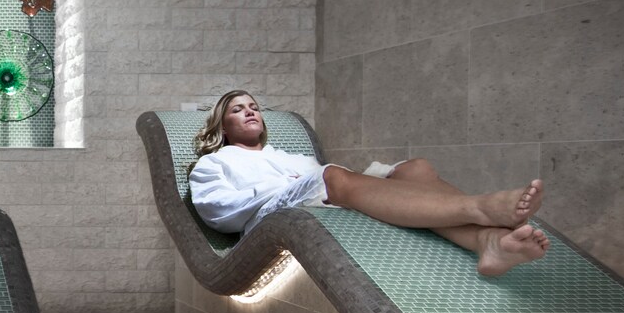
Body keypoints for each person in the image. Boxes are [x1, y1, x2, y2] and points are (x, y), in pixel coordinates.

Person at [187, 89, 549, 276]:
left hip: (322, 190)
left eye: (253, 107)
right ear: (222, 126)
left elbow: (334, 180)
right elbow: (217, 212)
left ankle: (488, 242)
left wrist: (322, 178)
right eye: (238, 109)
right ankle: (481, 208)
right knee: (330, 175)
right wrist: (286, 186)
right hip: (270, 219)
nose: (250, 111)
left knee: (415, 169)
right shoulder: (214, 163)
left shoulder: (290, 156)